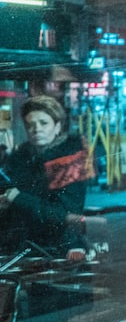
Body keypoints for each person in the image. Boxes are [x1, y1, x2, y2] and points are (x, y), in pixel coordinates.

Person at [0, 95, 92, 260]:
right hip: (24, 250)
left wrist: (18, 198)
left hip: (61, 250)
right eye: (30, 125)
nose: (36, 129)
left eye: (44, 123)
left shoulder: (69, 162)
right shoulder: (21, 158)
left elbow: (64, 214)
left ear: (57, 127)